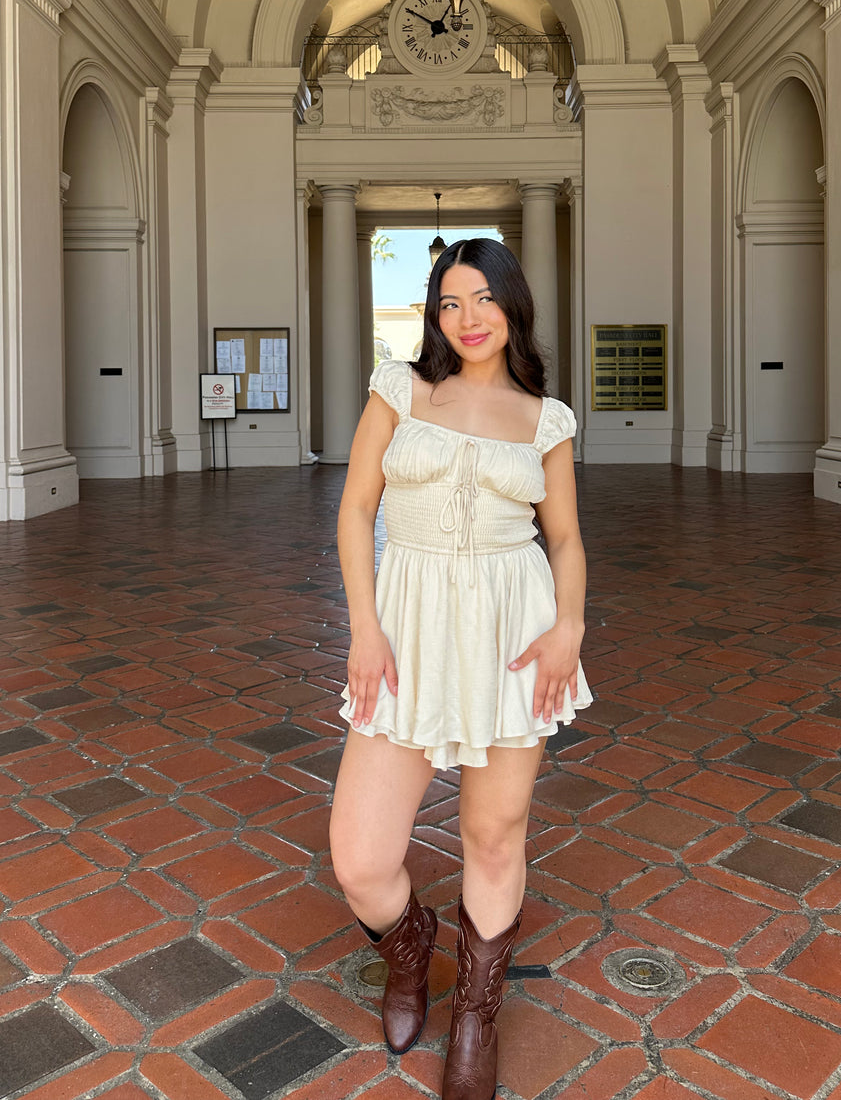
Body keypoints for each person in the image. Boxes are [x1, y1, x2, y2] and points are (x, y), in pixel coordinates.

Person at [328, 237, 592, 1100]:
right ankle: (410, 945)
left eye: (482, 298)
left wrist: (570, 627)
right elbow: (357, 506)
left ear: (512, 305)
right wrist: (364, 629)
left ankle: (475, 1015)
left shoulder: (544, 418)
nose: (467, 318)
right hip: (404, 632)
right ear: (434, 313)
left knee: (493, 833)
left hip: (514, 632)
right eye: (449, 301)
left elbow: (564, 536)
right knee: (361, 859)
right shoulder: (399, 389)